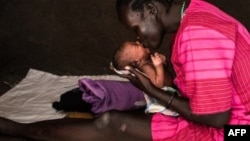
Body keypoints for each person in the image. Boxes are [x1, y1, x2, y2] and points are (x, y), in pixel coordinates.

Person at [0, 0, 250, 141]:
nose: (138, 36)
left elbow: (216, 118)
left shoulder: (196, 34)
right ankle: (16, 129)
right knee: (116, 120)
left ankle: (14, 130)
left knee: (112, 124)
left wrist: (152, 90)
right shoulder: (197, 10)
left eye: (136, 28)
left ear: (151, 9)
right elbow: (203, 87)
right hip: (227, 120)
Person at [111, 41, 179, 116]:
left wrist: (162, 64)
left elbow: (160, 74)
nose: (138, 42)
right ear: (137, 61)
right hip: (169, 99)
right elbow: (159, 84)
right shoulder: (146, 68)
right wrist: (159, 66)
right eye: (136, 45)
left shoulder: (148, 62)